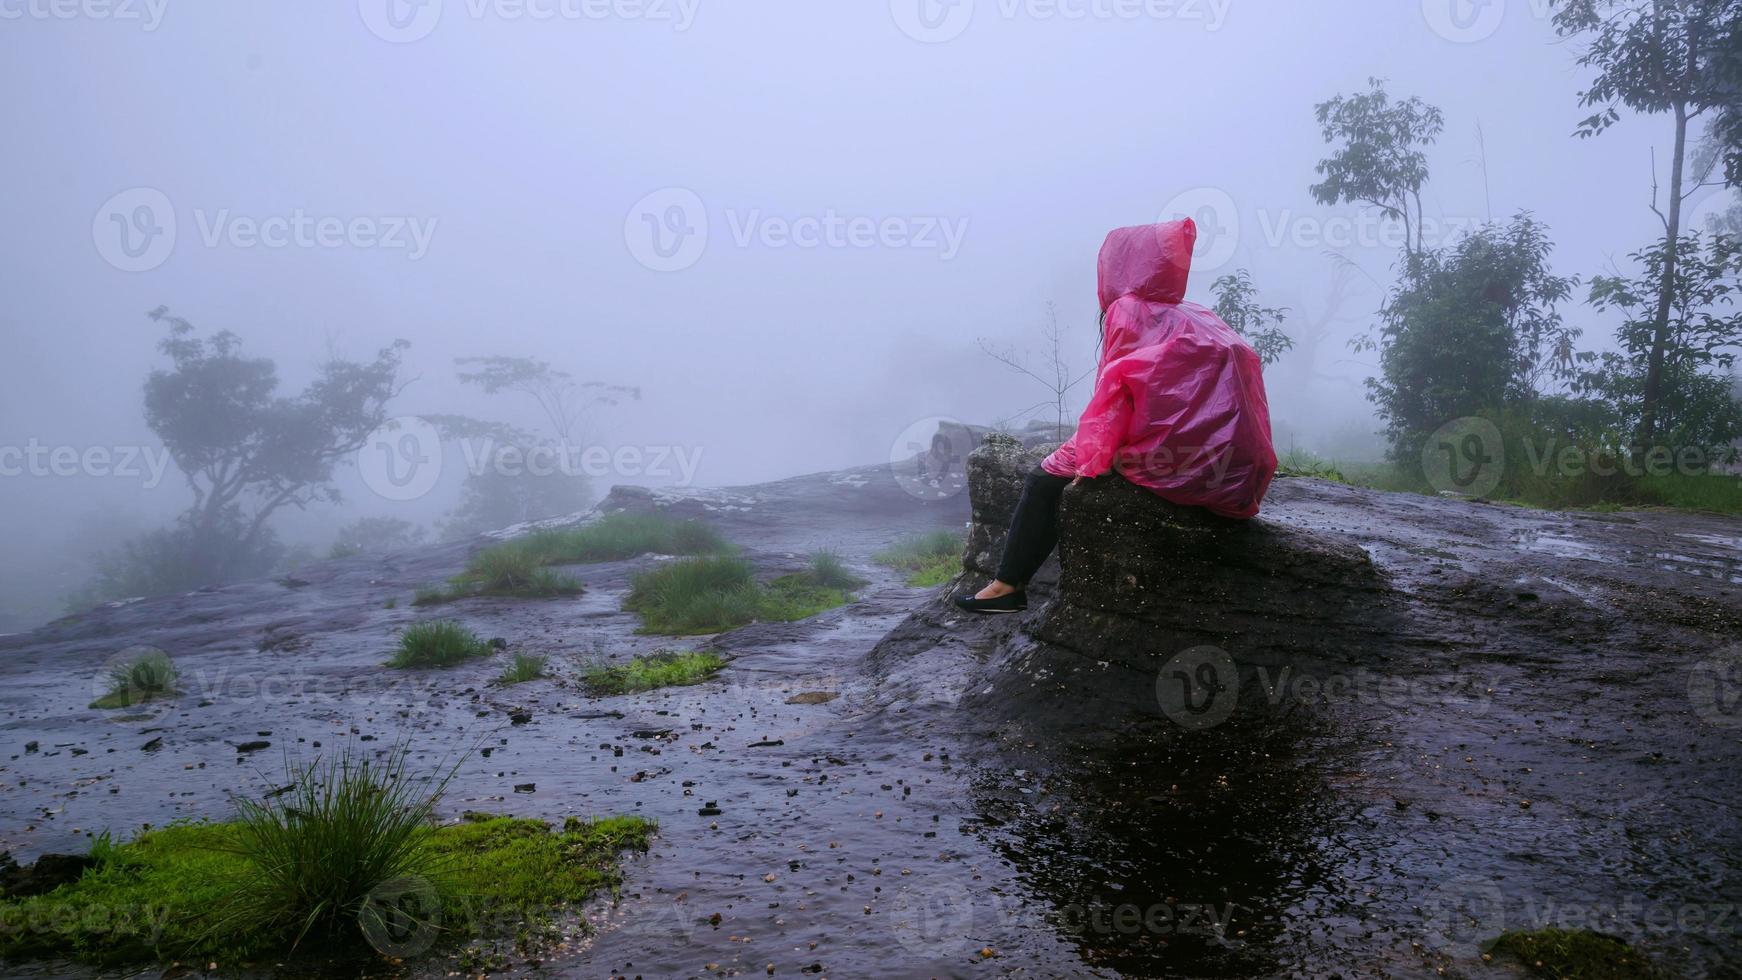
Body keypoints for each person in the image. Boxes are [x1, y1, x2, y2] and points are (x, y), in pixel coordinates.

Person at [954, 217, 1278, 614]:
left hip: (1182, 464)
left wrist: (1093, 462)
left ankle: (1007, 587)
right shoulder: (1198, 315)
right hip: (1238, 474)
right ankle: (1008, 586)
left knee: (1042, 481)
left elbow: (1114, 399)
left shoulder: (1129, 311)